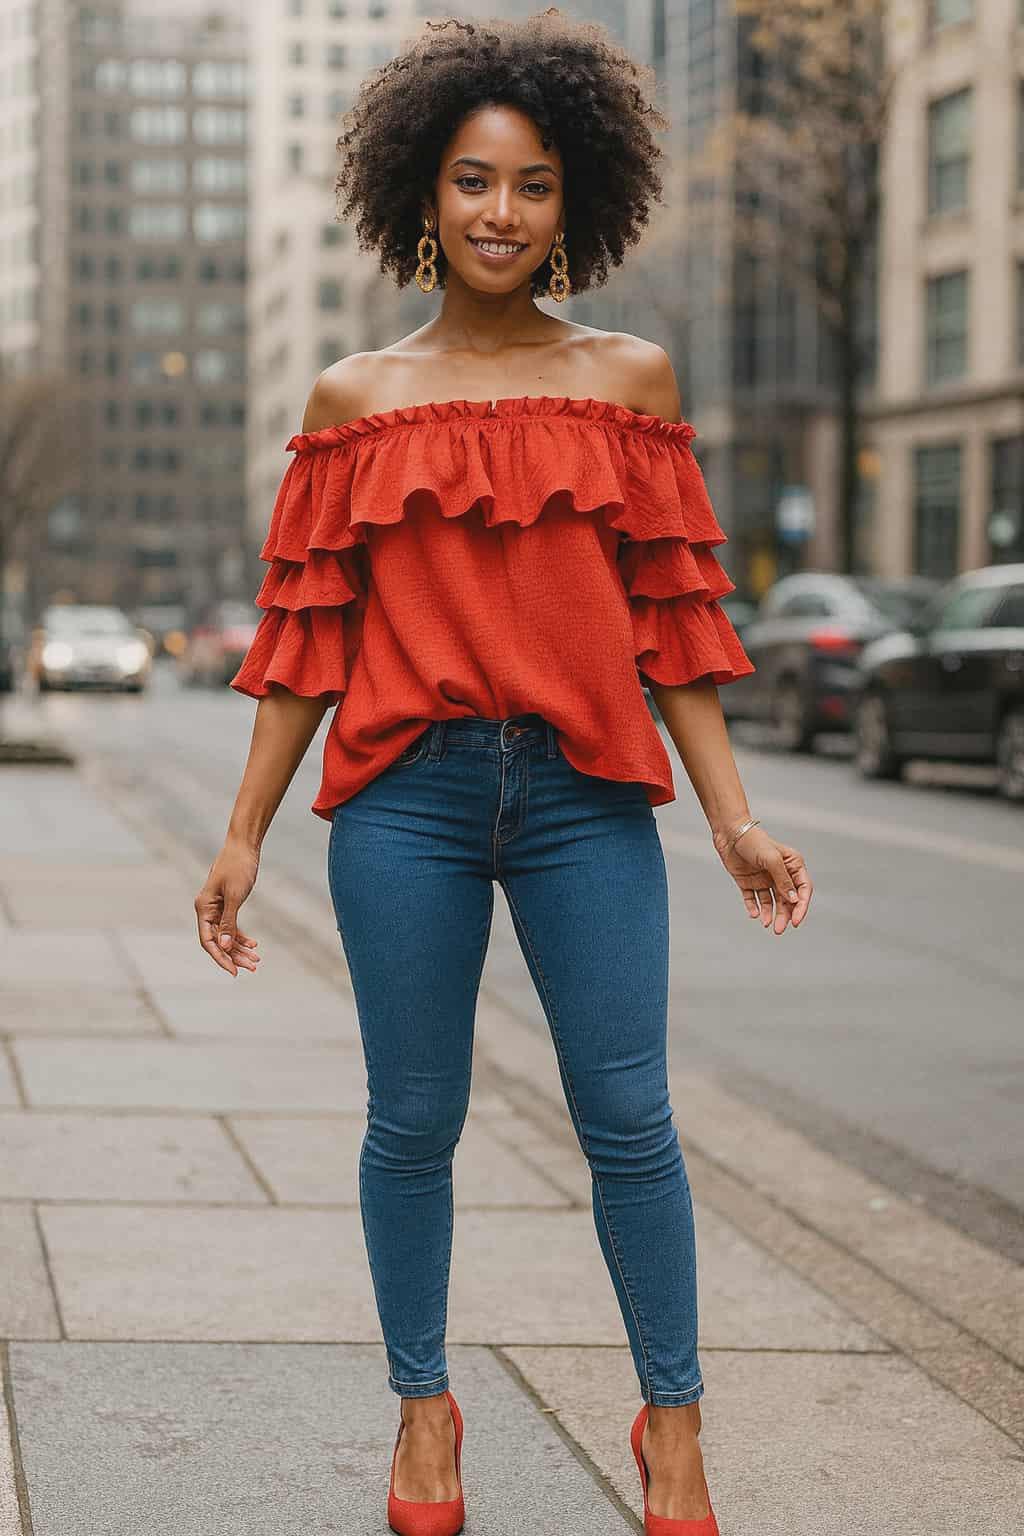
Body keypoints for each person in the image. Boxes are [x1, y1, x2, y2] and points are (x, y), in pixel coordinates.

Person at [194, 13, 813, 1536]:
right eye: (472, 181)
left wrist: (731, 816)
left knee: (629, 1119)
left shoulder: (631, 381)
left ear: (576, 200)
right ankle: (424, 1413)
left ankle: (672, 1431)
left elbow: (675, 628)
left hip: (587, 798)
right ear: (421, 191)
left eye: (532, 185)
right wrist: (239, 834)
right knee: (414, 1124)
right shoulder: (354, 403)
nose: (498, 214)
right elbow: (304, 644)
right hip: (402, 802)